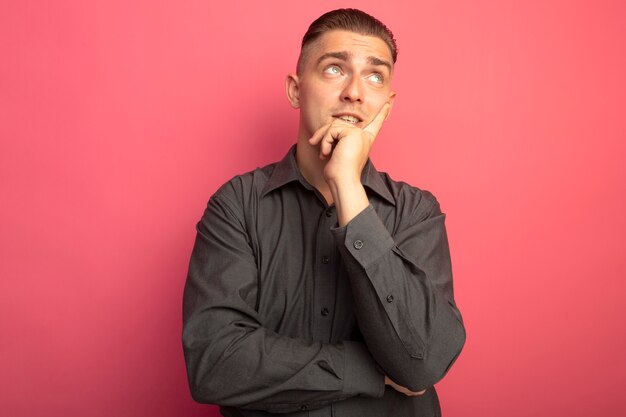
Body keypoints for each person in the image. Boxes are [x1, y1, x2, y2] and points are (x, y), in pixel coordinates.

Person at [182, 8, 465, 417]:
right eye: (334, 69)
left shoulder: (416, 212)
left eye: (374, 76)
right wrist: (367, 371)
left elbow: (421, 362)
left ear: (387, 102)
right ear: (296, 90)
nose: (354, 92)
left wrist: (348, 187)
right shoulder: (236, 206)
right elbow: (216, 363)